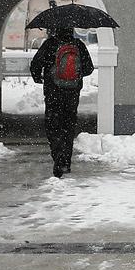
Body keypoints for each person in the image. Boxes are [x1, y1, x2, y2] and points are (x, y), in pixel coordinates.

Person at [30, 27, 94, 178]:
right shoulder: (78, 45)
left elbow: (35, 64)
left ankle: (58, 159)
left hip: (53, 92)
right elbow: (89, 68)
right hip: (72, 92)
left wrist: (39, 77)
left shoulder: (50, 44)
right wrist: (75, 74)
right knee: (68, 126)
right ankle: (66, 161)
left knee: (53, 126)